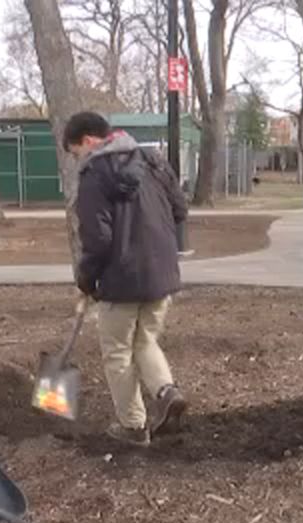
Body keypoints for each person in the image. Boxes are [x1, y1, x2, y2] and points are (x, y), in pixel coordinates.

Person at [63, 111, 189, 448]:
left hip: (120, 280)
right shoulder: (153, 161)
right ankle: (166, 391)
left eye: (76, 152)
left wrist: (86, 279)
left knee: (118, 352)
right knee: (145, 341)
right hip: (162, 274)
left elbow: (98, 239)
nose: (79, 159)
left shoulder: (93, 175)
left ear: (88, 141)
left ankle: (133, 427)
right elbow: (180, 210)